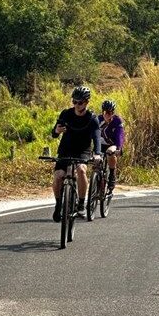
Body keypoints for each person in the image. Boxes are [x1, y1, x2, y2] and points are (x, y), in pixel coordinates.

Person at [50, 86, 102, 221]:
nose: (76, 105)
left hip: (83, 150)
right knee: (58, 176)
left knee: (81, 170)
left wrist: (97, 154)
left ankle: (80, 203)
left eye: (80, 102)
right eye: (74, 102)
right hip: (66, 149)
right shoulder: (66, 114)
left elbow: (97, 137)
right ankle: (58, 204)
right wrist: (56, 131)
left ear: (86, 102)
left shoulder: (92, 119)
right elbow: (54, 134)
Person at [99, 99, 124, 194]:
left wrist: (118, 148)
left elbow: (120, 135)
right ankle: (97, 180)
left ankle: (112, 174)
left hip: (112, 144)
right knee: (96, 163)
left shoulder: (117, 120)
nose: (106, 114)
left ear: (113, 112)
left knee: (110, 152)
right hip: (100, 145)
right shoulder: (98, 119)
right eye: (104, 112)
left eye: (109, 112)